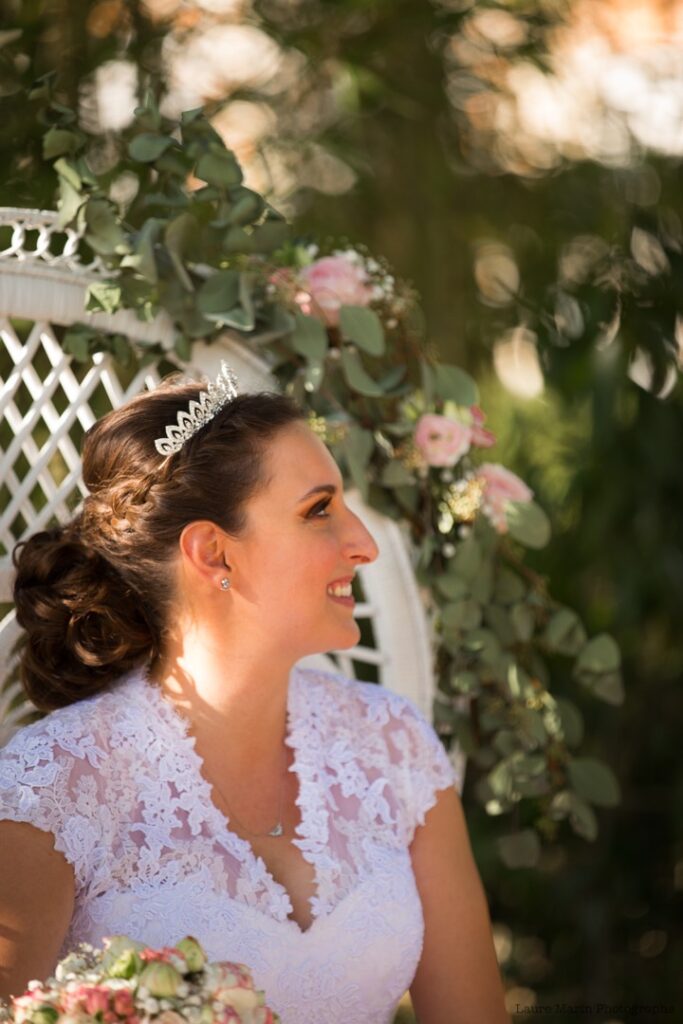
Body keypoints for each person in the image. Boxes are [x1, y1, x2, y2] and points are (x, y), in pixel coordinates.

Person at [0, 361, 510, 1024]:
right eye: (319, 510)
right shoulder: (51, 795)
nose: (361, 545)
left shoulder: (393, 746)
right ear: (214, 554)